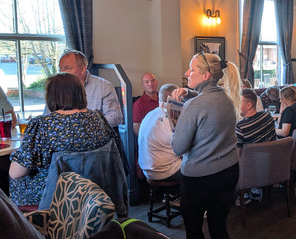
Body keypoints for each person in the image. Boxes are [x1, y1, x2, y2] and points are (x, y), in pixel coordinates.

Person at [171, 52, 239, 239]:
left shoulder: (194, 106)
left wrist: (173, 130)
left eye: (192, 70)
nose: (187, 73)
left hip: (199, 178)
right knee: (219, 228)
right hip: (228, 170)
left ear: (206, 75)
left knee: (193, 228)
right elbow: (208, 101)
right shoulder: (228, 97)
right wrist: (190, 93)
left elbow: (178, 148)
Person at [9, 73, 115, 206]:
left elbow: (16, 173)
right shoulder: (99, 118)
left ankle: (22, 219)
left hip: (53, 200)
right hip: (94, 195)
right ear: (81, 94)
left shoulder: (42, 125)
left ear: (51, 96)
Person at [47, 50, 123, 127]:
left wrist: (87, 126)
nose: (61, 72)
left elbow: (115, 117)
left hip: (93, 132)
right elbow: (47, 115)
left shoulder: (104, 86)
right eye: (60, 68)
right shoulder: (56, 88)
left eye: (67, 68)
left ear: (83, 69)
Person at [138, 83, 182, 206]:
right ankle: (195, 206)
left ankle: (173, 195)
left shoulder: (150, 114)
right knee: (197, 166)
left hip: (146, 169)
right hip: (163, 171)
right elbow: (182, 147)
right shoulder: (171, 119)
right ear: (176, 99)